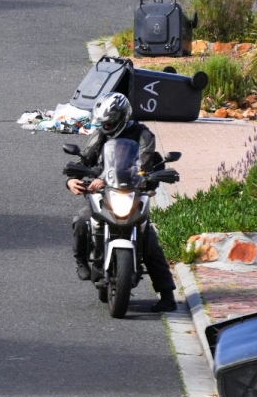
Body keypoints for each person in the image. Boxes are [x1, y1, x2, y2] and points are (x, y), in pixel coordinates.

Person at [65, 92, 177, 313]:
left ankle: (167, 295)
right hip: (106, 192)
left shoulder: (143, 135)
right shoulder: (99, 136)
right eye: (103, 123)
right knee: (81, 220)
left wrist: (151, 177)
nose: (106, 126)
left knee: (148, 239)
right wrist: (72, 179)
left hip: (134, 191)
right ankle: (81, 262)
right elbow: (83, 160)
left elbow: (145, 162)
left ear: (121, 117)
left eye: (110, 122)